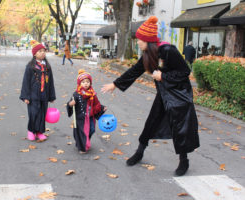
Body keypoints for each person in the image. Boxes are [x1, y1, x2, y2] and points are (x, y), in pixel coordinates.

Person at [101, 16, 199, 176]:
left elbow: (185, 72)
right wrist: (115, 84)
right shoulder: (147, 54)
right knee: (151, 122)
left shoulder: (168, 51)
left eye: (140, 39)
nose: (138, 42)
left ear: (148, 40)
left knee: (179, 127)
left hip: (179, 94)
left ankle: (184, 161)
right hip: (164, 94)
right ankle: (139, 152)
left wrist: (164, 77)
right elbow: (134, 71)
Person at [20, 40, 56, 141]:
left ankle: (39, 132)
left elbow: (51, 82)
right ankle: (31, 131)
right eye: (40, 51)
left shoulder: (47, 67)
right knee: (33, 113)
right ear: (34, 54)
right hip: (33, 95)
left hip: (44, 95)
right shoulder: (30, 66)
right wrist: (25, 96)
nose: (42, 53)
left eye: (44, 51)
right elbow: (26, 82)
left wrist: (51, 96)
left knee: (42, 114)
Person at [67, 69, 106, 153]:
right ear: (79, 83)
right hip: (80, 118)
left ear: (90, 83)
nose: (86, 83)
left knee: (92, 130)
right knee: (82, 132)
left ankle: (84, 141)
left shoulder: (92, 93)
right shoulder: (76, 94)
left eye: (87, 82)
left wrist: (102, 108)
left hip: (90, 117)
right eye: (83, 82)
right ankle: (82, 146)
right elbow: (69, 104)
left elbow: (96, 104)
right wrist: (71, 104)